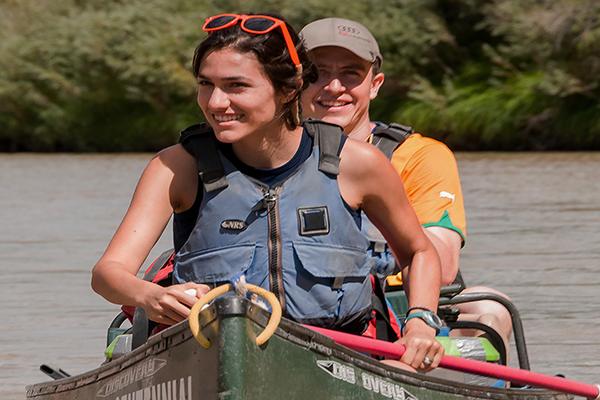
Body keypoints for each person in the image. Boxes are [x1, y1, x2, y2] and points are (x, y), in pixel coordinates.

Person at [91, 13, 444, 371]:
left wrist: (421, 322)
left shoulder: (359, 164)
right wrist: (152, 296)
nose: (215, 102)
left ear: (289, 89)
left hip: (339, 359)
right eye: (205, 84)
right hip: (214, 359)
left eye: (236, 86)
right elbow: (108, 273)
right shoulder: (176, 167)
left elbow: (418, 253)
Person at [299, 17, 513, 351]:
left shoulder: (420, 155)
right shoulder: (260, 154)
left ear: (375, 84)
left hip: (401, 303)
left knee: (491, 308)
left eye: (351, 74)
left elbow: (440, 266)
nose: (333, 87)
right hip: (296, 305)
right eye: (317, 73)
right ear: (292, 82)